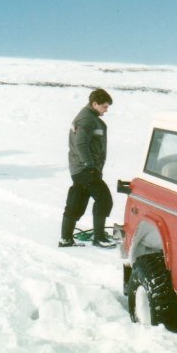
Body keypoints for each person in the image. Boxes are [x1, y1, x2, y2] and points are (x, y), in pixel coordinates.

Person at [59, 88, 116, 248]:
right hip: (84, 169)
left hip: (80, 169)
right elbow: (81, 144)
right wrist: (89, 166)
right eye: (104, 107)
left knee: (77, 200)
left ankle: (66, 239)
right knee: (104, 200)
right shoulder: (86, 119)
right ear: (95, 103)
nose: (106, 110)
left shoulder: (90, 117)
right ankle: (99, 238)